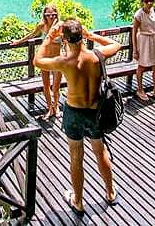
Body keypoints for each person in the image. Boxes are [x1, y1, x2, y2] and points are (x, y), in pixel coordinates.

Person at [33, 19, 121, 215]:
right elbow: (116, 45)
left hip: (74, 113)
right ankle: (110, 192)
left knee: (76, 156)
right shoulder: (97, 56)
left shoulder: (65, 62)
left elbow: (37, 61)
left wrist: (49, 37)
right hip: (95, 111)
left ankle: (78, 201)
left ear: (64, 38)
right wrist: (92, 36)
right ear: (81, 35)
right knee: (100, 151)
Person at [11, 4, 63, 120]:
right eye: (48, 14)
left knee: (55, 87)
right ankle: (49, 108)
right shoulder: (42, 26)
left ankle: (56, 107)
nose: (50, 17)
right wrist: (18, 42)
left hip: (57, 60)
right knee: (46, 86)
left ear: (56, 14)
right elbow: (31, 35)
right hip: (44, 59)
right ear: (44, 15)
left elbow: (68, 39)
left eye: (53, 14)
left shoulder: (60, 26)